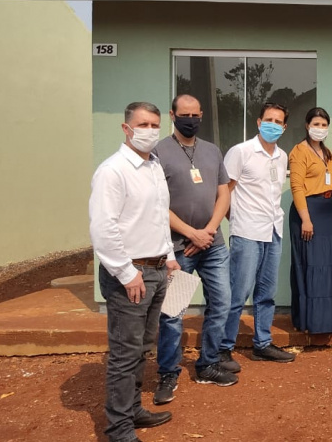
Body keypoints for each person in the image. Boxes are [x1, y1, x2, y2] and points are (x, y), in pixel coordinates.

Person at [89, 101, 180, 442]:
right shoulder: (113, 171)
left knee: (142, 348)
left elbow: (157, 215)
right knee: (125, 354)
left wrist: (169, 255)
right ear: (126, 128)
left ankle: (133, 409)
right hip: (130, 275)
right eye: (143, 124)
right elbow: (103, 228)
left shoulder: (154, 166)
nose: (150, 131)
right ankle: (119, 429)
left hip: (156, 269)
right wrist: (127, 274)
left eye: (155, 125)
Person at [154, 95, 236, 407]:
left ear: (201, 115)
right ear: (172, 115)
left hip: (213, 245)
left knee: (222, 302)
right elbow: (156, 203)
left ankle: (208, 364)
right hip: (180, 248)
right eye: (184, 114)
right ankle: (168, 372)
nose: (190, 119)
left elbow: (223, 194)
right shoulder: (159, 152)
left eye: (195, 115)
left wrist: (208, 231)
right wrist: (191, 234)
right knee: (174, 312)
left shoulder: (212, 151)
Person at [219, 102, 294, 366]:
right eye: (268, 120)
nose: (273, 125)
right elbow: (224, 191)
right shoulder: (241, 152)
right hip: (247, 231)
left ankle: (262, 343)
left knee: (266, 293)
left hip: (273, 230)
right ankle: (223, 347)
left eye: (278, 121)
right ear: (259, 122)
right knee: (238, 293)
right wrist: (234, 219)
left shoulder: (282, 156)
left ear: (284, 127)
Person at [288, 107, 332, 335]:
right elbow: (296, 187)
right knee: (311, 264)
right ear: (307, 125)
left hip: (327, 211)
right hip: (308, 211)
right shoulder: (299, 151)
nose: (320, 129)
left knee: (328, 264)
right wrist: (306, 219)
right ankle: (309, 321)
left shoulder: (327, 152)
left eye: (324, 125)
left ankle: (329, 320)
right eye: (316, 124)